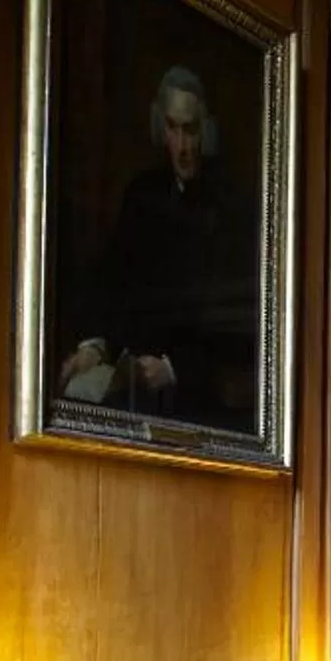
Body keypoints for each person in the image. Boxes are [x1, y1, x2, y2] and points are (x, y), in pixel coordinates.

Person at [59, 66, 236, 420]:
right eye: (173, 128)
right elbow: (113, 278)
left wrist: (173, 368)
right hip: (130, 375)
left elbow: (234, 325)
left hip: (191, 392)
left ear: (207, 130)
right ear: (161, 128)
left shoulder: (229, 204)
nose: (183, 146)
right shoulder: (142, 193)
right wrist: (95, 345)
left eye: (191, 130)